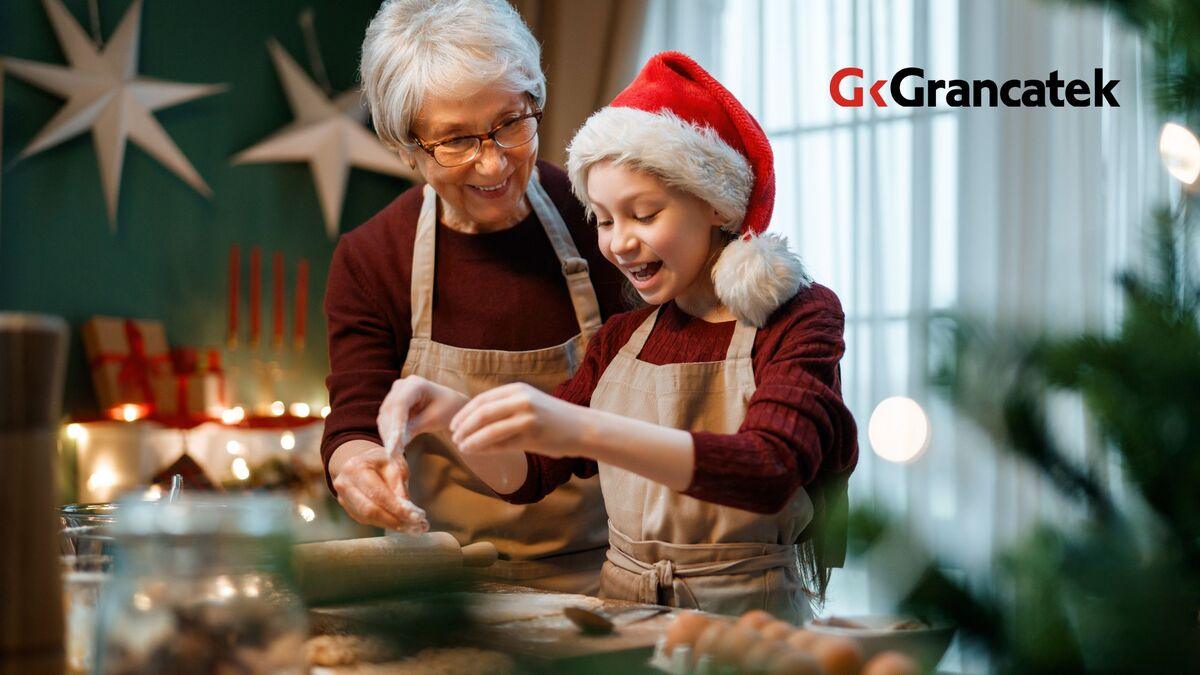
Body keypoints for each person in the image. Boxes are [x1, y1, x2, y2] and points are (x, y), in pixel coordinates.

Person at [380, 51, 858, 621]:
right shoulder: (620, 339)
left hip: (748, 627)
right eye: (605, 220)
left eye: (645, 213)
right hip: (623, 618)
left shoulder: (798, 318)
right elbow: (528, 473)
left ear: (713, 203)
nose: (619, 243)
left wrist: (581, 428)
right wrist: (451, 416)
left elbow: (769, 470)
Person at [322, 0, 626, 594]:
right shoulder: (372, 258)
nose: (494, 162)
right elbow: (356, 418)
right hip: (440, 588)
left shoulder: (603, 220)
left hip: (603, 574)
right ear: (406, 146)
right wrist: (358, 467)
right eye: (456, 140)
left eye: (511, 122)